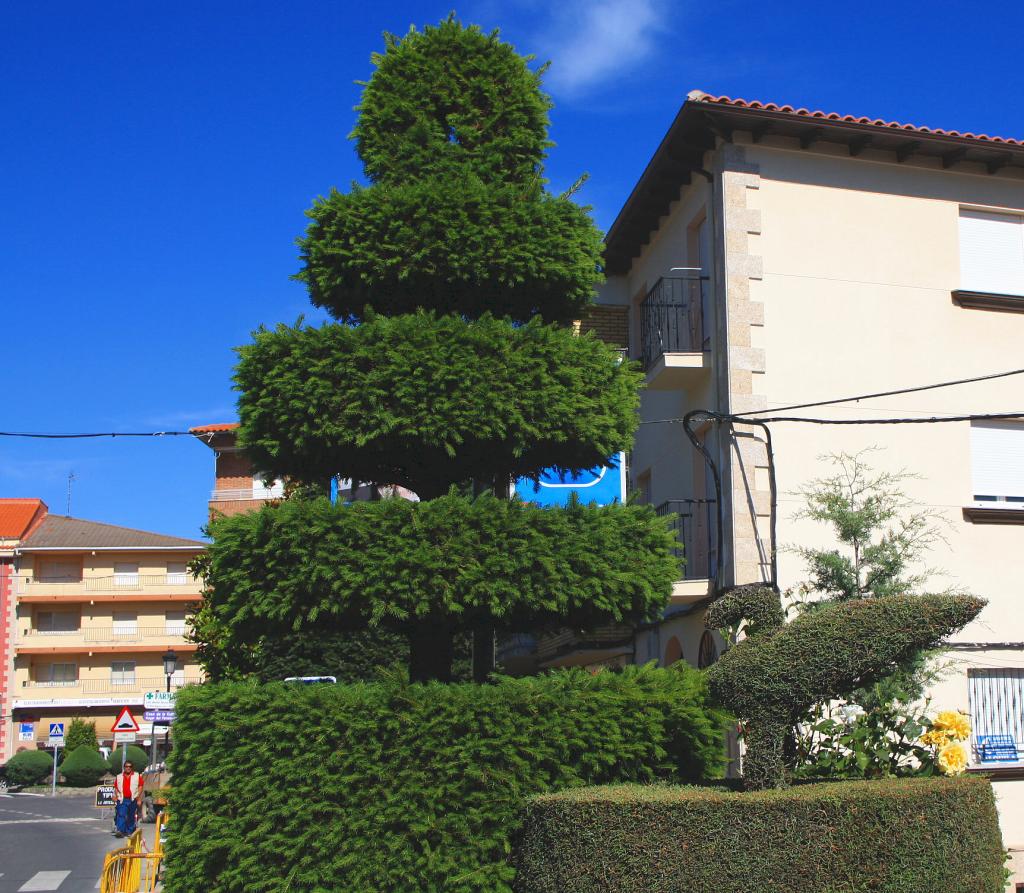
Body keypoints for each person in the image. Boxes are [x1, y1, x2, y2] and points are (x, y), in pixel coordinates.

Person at [113, 759, 144, 837]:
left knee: (131, 815)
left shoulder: (137, 775)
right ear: (124, 767)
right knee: (121, 814)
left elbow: (140, 786)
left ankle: (129, 831)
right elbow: (116, 787)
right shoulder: (119, 776)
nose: (128, 768)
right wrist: (115, 796)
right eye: (126, 766)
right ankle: (120, 830)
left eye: (130, 766)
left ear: (132, 767)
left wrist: (139, 797)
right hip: (122, 799)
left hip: (133, 799)